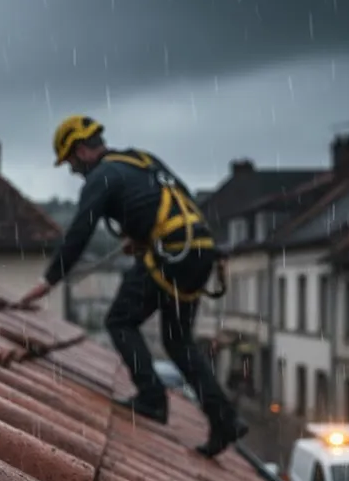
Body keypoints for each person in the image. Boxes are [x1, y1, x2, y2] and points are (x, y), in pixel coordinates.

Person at [20, 115, 247, 458]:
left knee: (119, 321)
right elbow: (176, 197)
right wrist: (141, 235)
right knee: (178, 340)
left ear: (81, 151)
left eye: (70, 162)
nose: (72, 171)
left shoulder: (100, 177)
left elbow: (80, 232)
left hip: (171, 254)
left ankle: (152, 398)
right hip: (198, 251)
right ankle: (224, 418)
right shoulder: (141, 160)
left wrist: (47, 281)